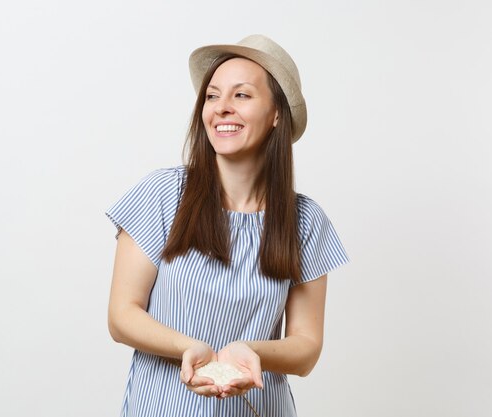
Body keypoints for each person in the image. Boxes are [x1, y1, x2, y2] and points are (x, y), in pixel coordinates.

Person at [106, 34, 349, 417]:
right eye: (212, 96)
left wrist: (250, 352)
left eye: (242, 95)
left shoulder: (306, 221)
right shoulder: (162, 195)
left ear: (277, 115)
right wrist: (189, 348)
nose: (221, 108)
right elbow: (122, 315)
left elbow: (305, 347)